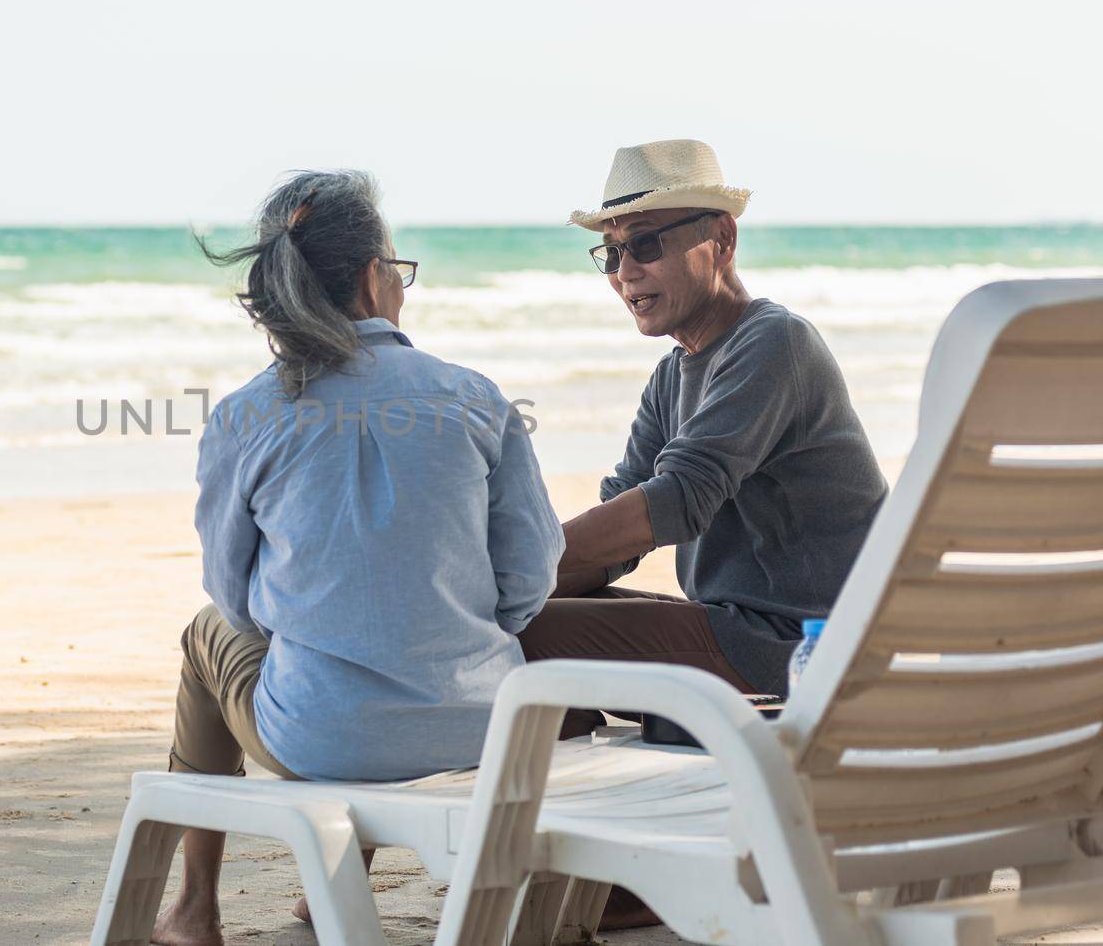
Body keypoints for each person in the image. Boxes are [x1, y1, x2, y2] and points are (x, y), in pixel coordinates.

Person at [152, 170, 563, 946]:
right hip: (483, 729)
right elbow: (529, 578)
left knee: (208, 633)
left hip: (319, 740)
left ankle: (193, 907)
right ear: (375, 277)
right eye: (398, 272)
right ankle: (324, 889)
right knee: (391, 623)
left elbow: (235, 600)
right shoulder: (474, 397)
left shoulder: (248, 415)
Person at [519, 139, 888, 929]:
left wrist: (508, 580)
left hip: (803, 646)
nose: (624, 274)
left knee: (530, 629)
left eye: (646, 245)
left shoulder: (771, 342)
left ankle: (616, 870)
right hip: (747, 634)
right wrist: (489, 587)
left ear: (719, 240)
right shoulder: (674, 372)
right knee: (517, 616)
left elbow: (678, 499)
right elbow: (620, 524)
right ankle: (618, 856)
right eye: (611, 253)